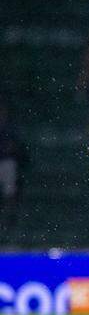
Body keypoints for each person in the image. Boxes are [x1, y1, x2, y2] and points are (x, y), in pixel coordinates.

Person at [0, 97, 23, 227]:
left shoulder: (10, 128)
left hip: (6, 161)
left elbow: (13, 146)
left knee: (10, 191)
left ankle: (10, 218)